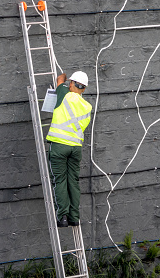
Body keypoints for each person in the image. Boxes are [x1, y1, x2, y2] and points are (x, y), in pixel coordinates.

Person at [46, 71, 92, 227]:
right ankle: (74, 218)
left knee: (60, 181)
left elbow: (60, 80)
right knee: (73, 181)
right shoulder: (87, 106)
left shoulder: (65, 94)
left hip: (59, 146)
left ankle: (63, 217)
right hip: (75, 149)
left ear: (71, 84)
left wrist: (64, 76)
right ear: (84, 89)